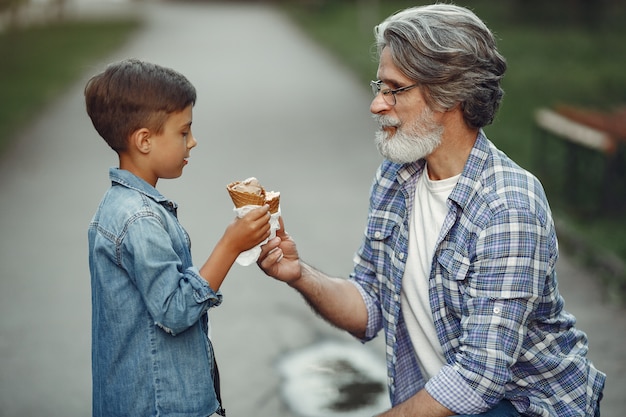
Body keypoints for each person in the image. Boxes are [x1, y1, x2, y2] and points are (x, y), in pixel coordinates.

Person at [258, 4, 605, 417]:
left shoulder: (509, 207)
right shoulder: (396, 176)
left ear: (450, 94)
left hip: (524, 407)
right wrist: (300, 274)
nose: (376, 104)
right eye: (379, 86)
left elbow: (477, 379)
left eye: (394, 89)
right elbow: (369, 307)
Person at [85, 58, 271, 417]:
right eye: (184, 132)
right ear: (144, 140)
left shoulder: (127, 207)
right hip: (161, 405)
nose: (193, 141)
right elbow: (175, 310)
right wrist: (231, 245)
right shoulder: (137, 218)